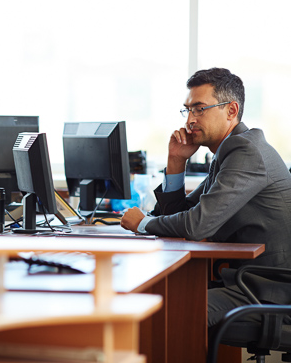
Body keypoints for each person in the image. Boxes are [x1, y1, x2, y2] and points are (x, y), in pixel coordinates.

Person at [121, 67, 291, 326]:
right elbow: (178, 216)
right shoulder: (227, 152)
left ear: (231, 111)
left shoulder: (245, 150)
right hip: (247, 281)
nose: (190, 119)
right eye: (187, 109)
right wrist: (176, 161)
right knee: (159, 299)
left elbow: (197, 225)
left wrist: (143, 223)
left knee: (161, 310)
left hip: (267, 292)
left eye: (200, 109)